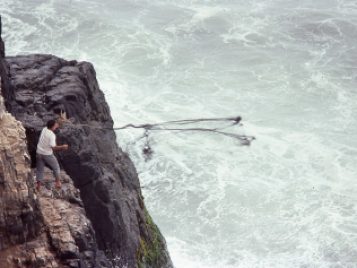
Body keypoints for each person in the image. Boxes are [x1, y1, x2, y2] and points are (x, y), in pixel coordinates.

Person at [36, 119, 68, 191]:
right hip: (47, 154)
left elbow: (54, 125)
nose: (56, 125)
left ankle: (38, 185)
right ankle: (58, 182)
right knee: (56, 167)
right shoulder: (52, 135)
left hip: (39, 152)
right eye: (55, 124)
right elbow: (53, 148)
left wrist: (59, 122)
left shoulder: (44, 129)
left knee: (40, 169)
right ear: (52, 126)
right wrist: (63, 147)